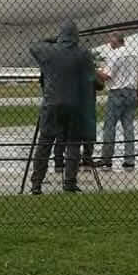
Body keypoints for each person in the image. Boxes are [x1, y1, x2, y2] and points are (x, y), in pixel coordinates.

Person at [29, 21, 96, 194]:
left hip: (52, 103)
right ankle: (70, 182)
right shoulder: (83, 54)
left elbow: (34, 46)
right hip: (75, 104)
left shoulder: (49, 52)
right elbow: (90, 78)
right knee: (73, 144)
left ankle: (36, 184)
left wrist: (54, 40)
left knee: (45, 144)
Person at [94, 33, 138, 171]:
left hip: (117, 93)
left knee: (110, 126)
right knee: (128, 127)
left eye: (110, 39)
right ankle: (129, 161)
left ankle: (107, 160)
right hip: (132, 92)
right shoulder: (134, 54)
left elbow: (106, 76)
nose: (109, 42)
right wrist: (137, 95)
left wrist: (93, 69)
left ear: (116, 40)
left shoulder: (114, 54)